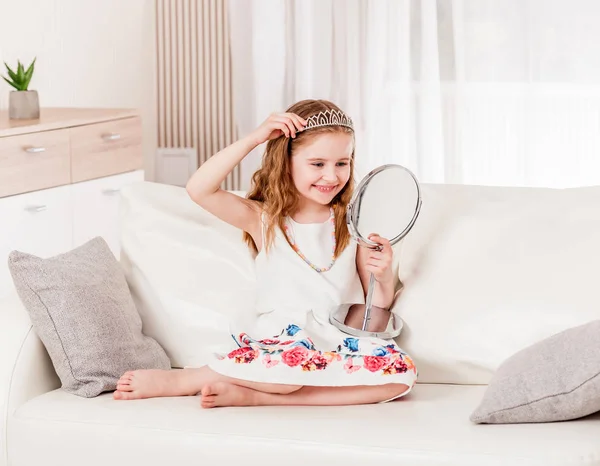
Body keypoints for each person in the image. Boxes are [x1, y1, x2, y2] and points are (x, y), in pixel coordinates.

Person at [113, 99, 417, 408]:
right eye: (317, 164)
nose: (331, 176)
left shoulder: (356, 224)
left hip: (340, 337)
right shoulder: (265, 220)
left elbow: (374, 308)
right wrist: (255, 137)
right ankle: (192, 378)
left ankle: (257, 396)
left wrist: (383, 275)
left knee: (400, 376)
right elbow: (199, 188)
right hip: (285, 338)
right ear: (286, 161)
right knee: (290, 371)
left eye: (342, 163)